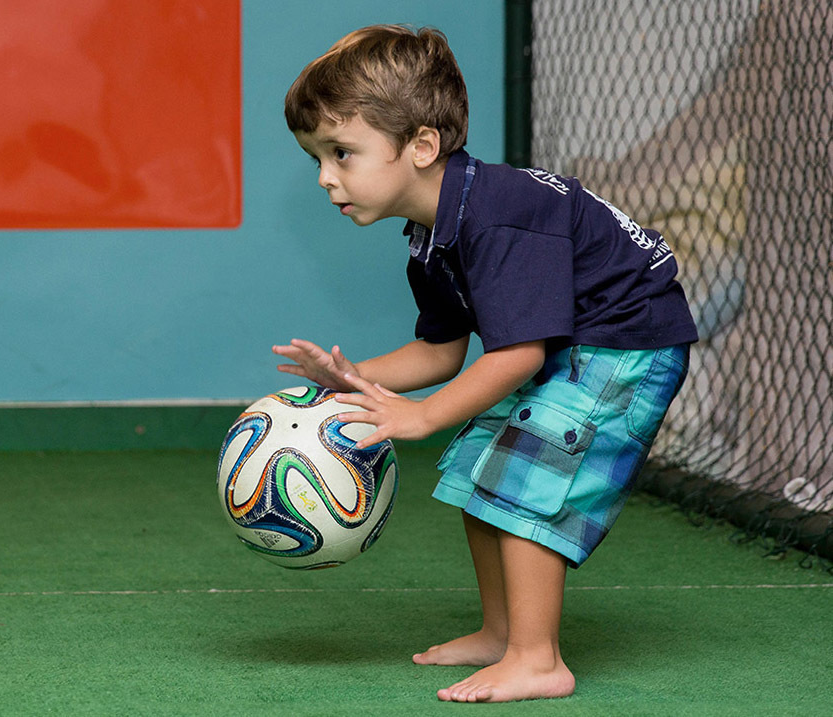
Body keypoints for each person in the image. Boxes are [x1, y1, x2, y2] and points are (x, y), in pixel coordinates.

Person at [273, 25, 698, 703]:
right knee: (481, 471)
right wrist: (351, 380)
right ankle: (503, 632)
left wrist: (421, 418)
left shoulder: (496, 215)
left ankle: (538, 659)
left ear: (420, 146)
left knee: (524, 481)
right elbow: (439, 350)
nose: (326, 177)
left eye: (341, 153)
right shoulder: (427, 235)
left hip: (625, 342)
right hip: (571, 342)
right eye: (317, 158)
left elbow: (519, 352)